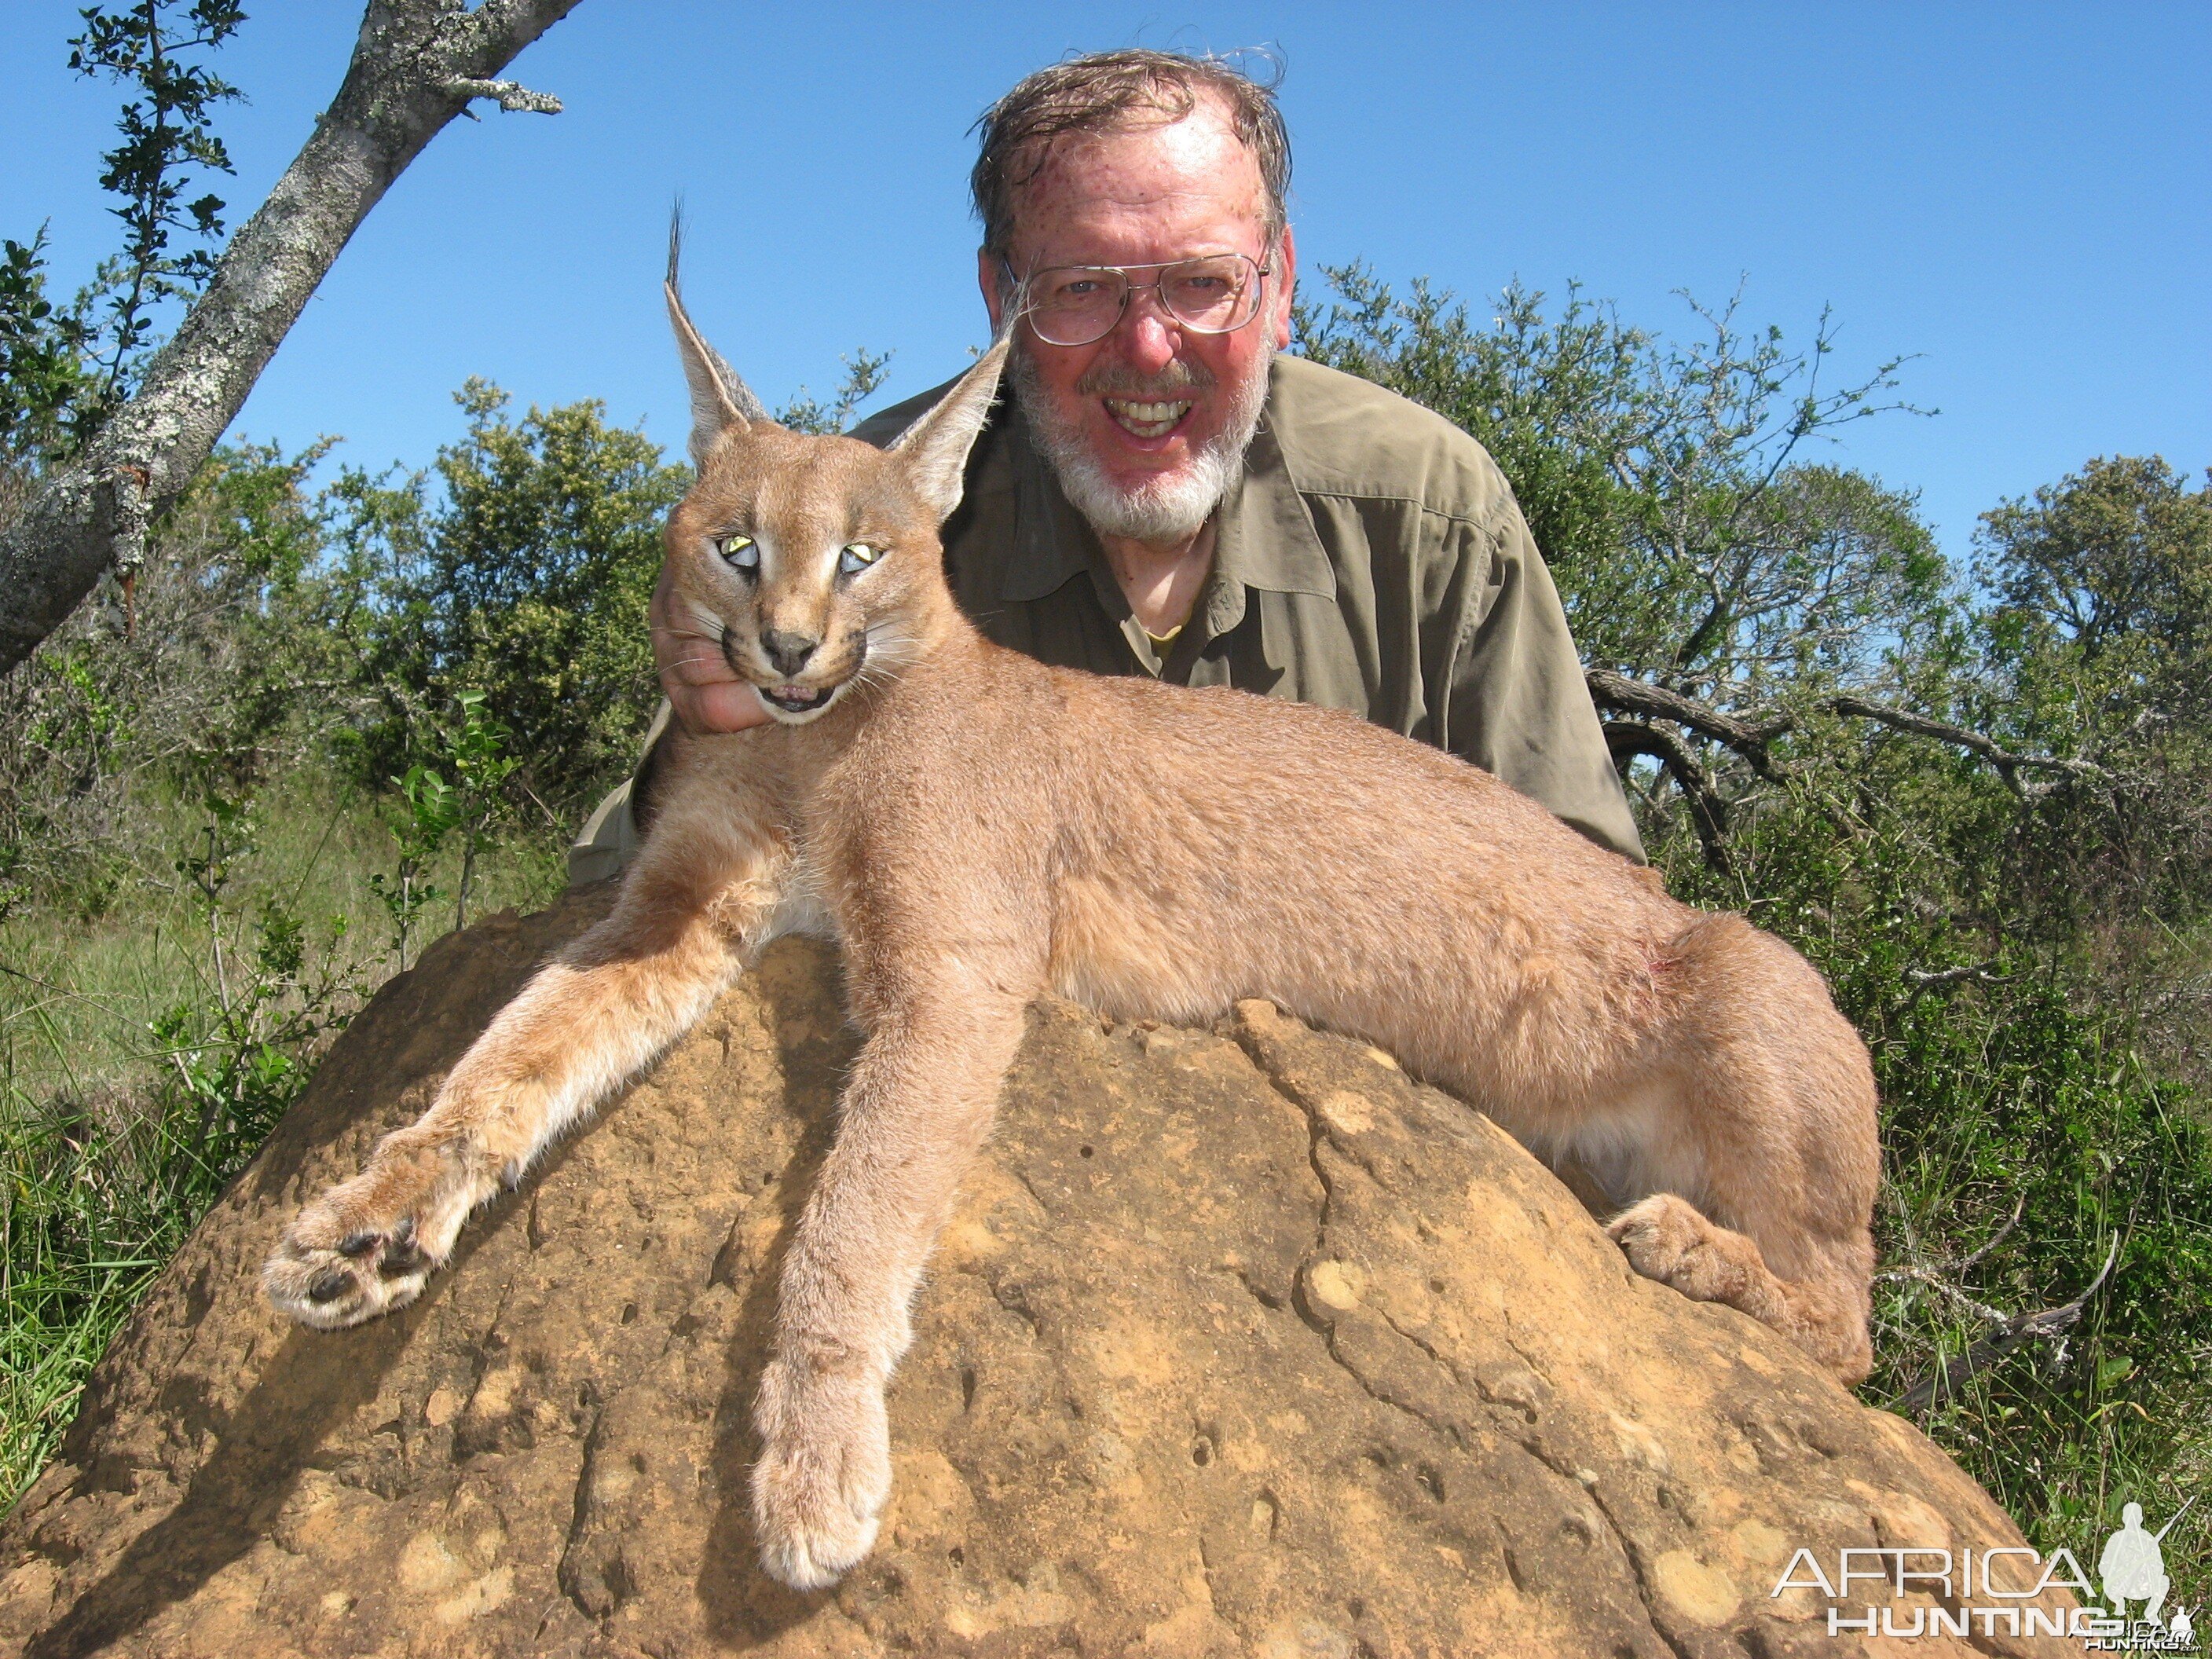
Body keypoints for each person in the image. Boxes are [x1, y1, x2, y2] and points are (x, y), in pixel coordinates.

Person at [569, 49, 1643, 884]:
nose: (1146, 348)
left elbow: (1591, 892)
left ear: (1279, 287)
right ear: (1001, 299)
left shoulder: (1430, 504)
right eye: (1082, 288)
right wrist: (713, 733)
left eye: (1203, 283)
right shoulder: (871, 504)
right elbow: (625, 871)